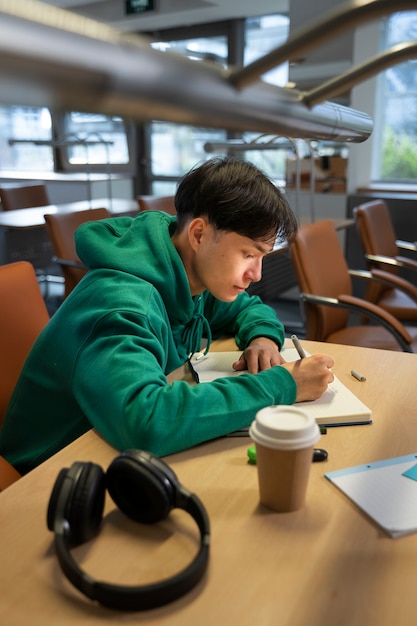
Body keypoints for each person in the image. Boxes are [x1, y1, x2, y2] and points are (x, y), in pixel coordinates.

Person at [0, 157, 334, 475]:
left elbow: (248, 308)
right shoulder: (120, 304)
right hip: (47, 473)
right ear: (199, 235)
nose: (256, 274)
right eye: (248, 254)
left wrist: (261, 337)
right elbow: (146, 420)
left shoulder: (189, 276)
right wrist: (284, 384)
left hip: (105, 449)